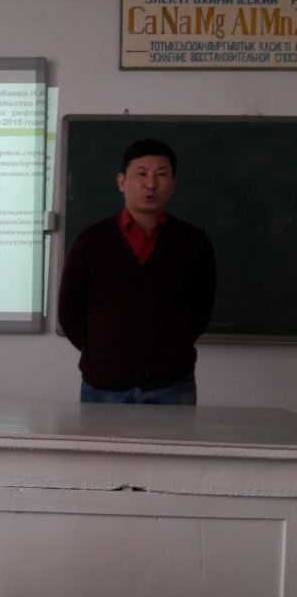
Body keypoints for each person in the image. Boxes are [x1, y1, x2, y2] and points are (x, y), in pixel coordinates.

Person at [58, 139, 216, 404]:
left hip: (172, 386)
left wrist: (169, 353)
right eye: (141, 174)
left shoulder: (193, 241)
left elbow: (201, 309)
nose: (150, 184)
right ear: (121, 182)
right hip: (103, 387)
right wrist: (103, 356)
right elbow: (69, 310)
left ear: (173, 184)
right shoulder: (91, 240)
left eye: (161, 175)